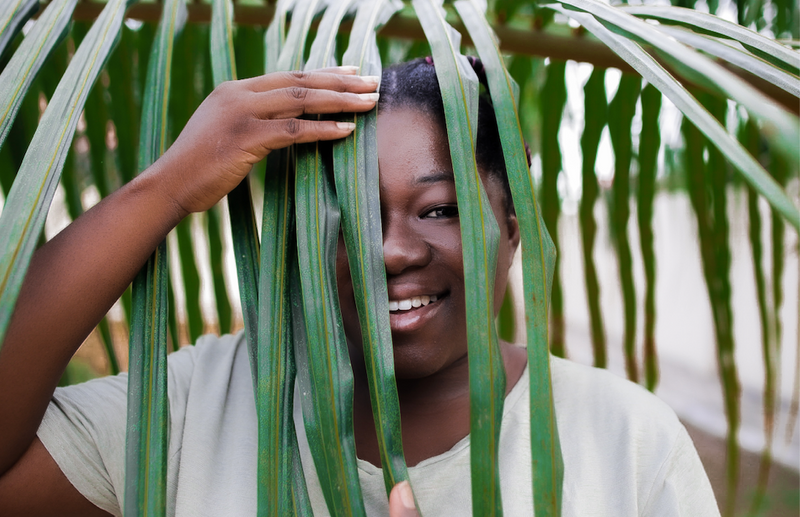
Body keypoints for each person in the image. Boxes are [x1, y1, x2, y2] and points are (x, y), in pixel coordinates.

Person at [0, 58, 719, 516]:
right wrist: (167, 186)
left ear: (511, 221)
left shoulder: (625, 442)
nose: (392, 250)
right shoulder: (194, 410)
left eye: (439, 209)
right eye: (344, 217)